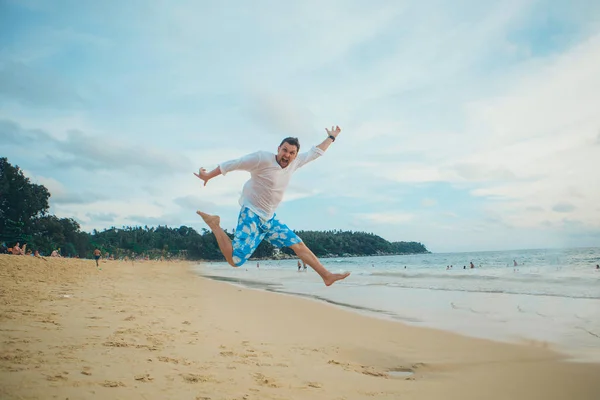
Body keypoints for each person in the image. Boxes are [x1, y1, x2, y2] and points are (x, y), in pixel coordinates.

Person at [194, 126, 350, 287]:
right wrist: (208, 176)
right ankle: (215, 225)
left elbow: (315, 152)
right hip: (251, 213)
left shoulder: (294, 163)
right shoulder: (262, 159)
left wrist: (331, 138)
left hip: (269, 219)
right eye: (284, 150)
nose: (287, 155)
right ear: (278, 149)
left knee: (298, 244)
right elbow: (234, 163)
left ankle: (326, 276)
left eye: (291, 153)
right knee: (235, 260)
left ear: (295, 155)